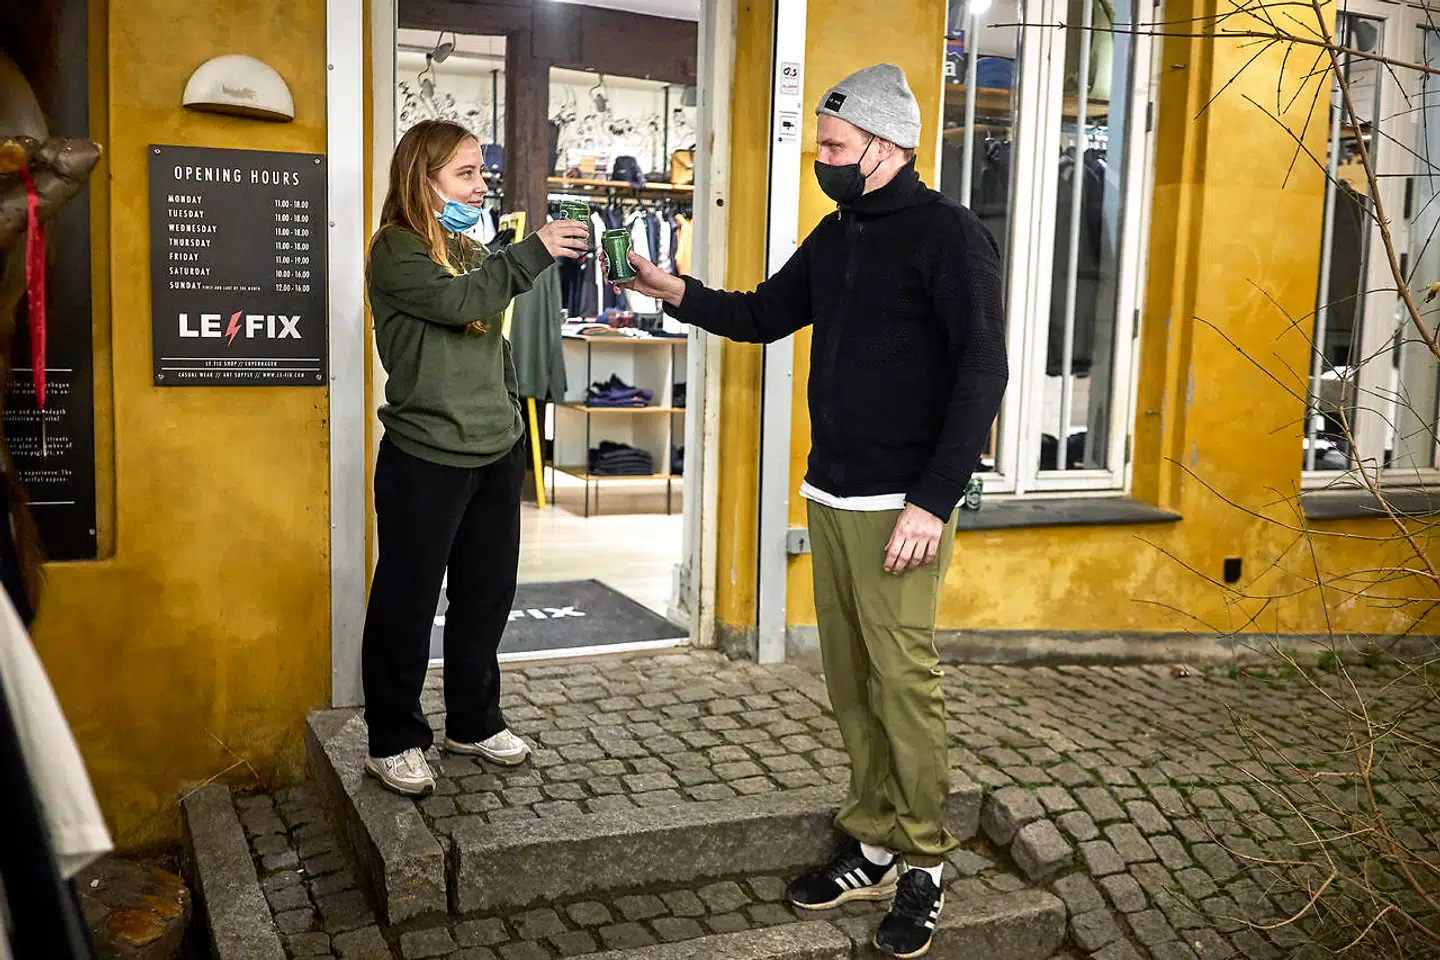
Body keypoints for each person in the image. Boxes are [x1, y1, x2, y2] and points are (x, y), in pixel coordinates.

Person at [617, 65, 1007, 958]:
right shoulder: (837, 233)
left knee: (903, 682)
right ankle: (872, 840)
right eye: (822, 144)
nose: (822, 159)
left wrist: (932, 501)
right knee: (850, 682)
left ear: (885, 144)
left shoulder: (950, 236)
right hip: (829, 491)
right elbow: (763, 313)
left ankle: (924, 859)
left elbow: (983, 370)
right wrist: (673, 290)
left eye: (834, 145)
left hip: (900, 505)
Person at [361, 120, 589, 797]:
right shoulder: (395, 250)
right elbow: (461, 302)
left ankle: (474, 721)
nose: (480, 185)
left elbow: (491, 340)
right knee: (407, 603)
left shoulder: (467, 247)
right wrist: (531, 252)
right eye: (465, 174)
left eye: (480, 172)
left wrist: (511, 419)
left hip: (493, 452)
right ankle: (392, 739)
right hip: (424, 457)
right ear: (422, 180)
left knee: (485, 598)